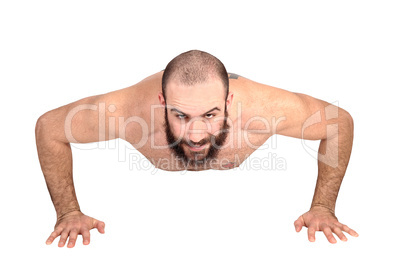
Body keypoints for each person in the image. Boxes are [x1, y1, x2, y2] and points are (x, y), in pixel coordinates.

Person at [35, 49, 359, 248]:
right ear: (162, 103)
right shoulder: (126, 113)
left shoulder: (265, 109)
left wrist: (324, 206)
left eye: (210, 115)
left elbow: (338, 122)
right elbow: (50, 128)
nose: (195, 134)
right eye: (180, 115)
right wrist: (68, 212)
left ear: (228, 102)